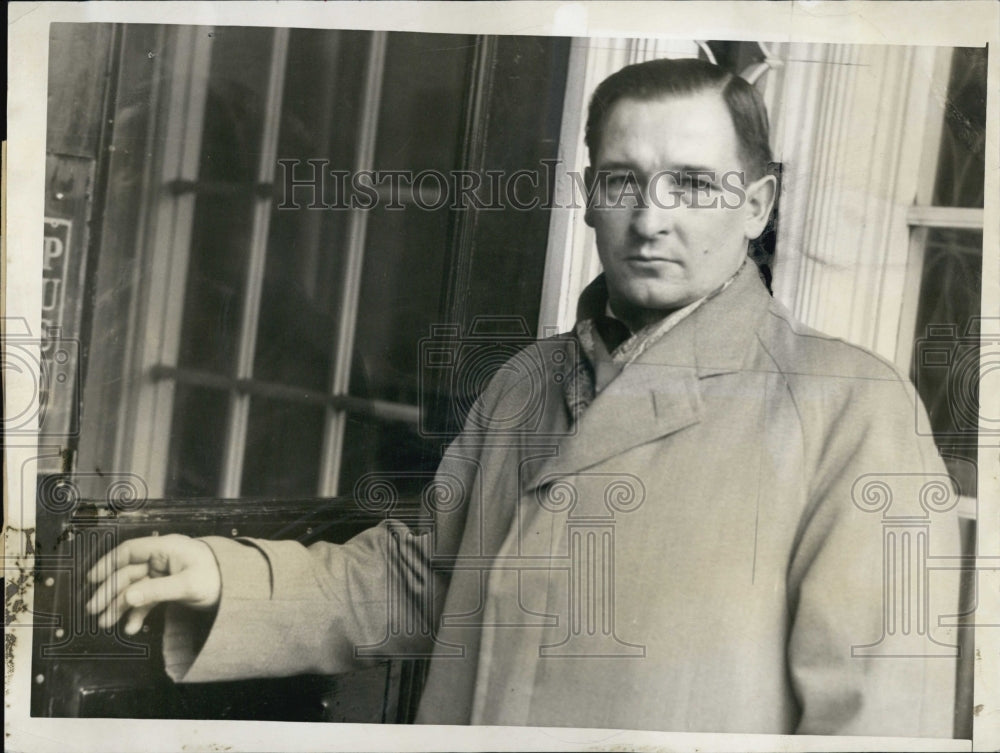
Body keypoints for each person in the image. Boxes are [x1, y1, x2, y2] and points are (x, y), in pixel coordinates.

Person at [86, 58, 960, 737]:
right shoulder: (526, 383)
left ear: (758, 202)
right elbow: (424, 580)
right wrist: (228, 578)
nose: (652, 217)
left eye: (692, 184)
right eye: (622, 180)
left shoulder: (851, 409)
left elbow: (877, 717)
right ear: (588, 200)